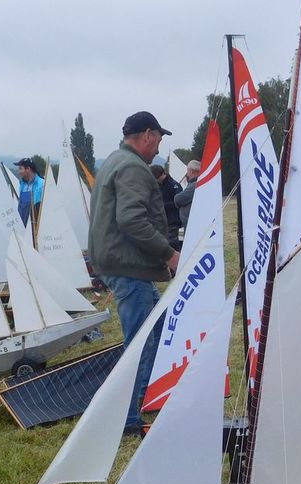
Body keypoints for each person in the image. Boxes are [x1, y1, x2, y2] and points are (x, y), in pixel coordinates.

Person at [88, 110, 180, 435]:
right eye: (159, 140)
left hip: (117, 263)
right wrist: (169, 254)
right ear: (148, 135)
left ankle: (145, 398)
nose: (159, 148)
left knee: (158, 327)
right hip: (129, 267)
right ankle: (128, 418)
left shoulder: (114, 161)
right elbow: (131, 220)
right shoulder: (133, 168)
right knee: (141, 343)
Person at [150, 164, 183, 251]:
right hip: (161, 220)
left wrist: (162, 206)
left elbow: (178, 202)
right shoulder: (158, 186)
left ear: (161, 175)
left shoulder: (173, 185)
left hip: (172, 220)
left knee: (172, 243)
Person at [14, 157, 45, 227]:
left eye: (20, 169)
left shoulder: (42, 184)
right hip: (23, 224)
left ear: (28, 169)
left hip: (36, 224)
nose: (19, 172)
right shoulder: (22, 185)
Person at [173, 159, 201, 232]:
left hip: (192, 225)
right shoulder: (196, 183)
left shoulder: (195, 185)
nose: (187, 174)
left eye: (187, 171)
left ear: (191, 171)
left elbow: (178, 199)